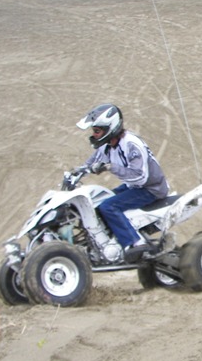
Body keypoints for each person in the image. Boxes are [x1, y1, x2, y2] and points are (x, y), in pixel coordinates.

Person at [73, 103, 170, 262]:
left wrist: (111, 167)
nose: (94, 135)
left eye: (97, 131)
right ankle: (110, 242)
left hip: (151, 188)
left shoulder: (131, 144)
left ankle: (135, 243)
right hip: (134, 187)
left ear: (109, 128)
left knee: (109, 206)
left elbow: (140, 176)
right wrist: (75, 173)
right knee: (99, 203)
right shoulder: (107, 146)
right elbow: (90, 164)